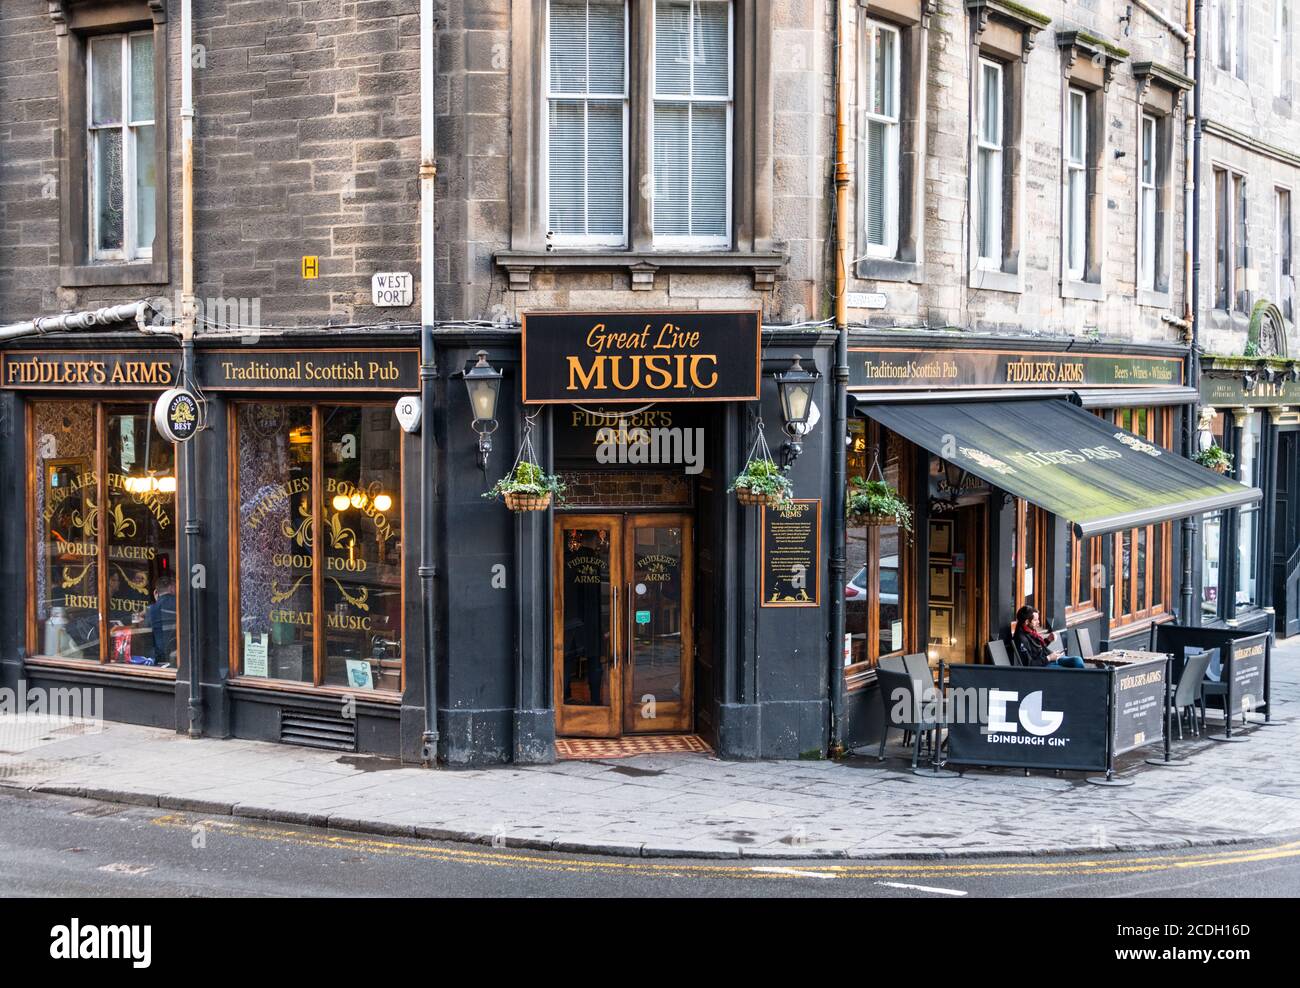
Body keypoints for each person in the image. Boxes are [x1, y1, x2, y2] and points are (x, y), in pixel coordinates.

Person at [1012, 605, 1086, 669]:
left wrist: (1048, 640)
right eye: (1035, 620)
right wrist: (1049, 658)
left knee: (1077, 660)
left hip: (1049, 659)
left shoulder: (1031, 631)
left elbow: (1037, 648)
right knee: (1066, 671)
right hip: (1043, 667)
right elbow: (1029, 664)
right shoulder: (1021, 639)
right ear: (1027, 622)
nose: (1038, 622)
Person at [135, 572, 178, 667]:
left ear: (156, 592)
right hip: (180, 654)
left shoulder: (152, 609)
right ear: (171, 588)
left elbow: (145, 633)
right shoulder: (180, 604)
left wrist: (156, 602)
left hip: (161, 657)